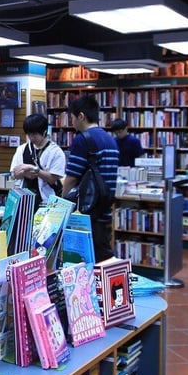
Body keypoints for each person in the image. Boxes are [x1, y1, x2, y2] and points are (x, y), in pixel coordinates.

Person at [61, 95, 120, 262]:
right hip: (104, 210)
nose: (72, 123)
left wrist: (62, 204)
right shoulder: (111, 140)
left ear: (81, 116)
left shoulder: (83, 139)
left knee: (83, 263)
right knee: (102, 259)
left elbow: (72, 178)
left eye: (72, 118)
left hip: (85, 214)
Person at [10, 113, 66, 209]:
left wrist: (35, 170)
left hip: (48, 201)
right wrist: (23, 173)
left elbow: (53, 179)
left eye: (34, 134)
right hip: (25, 200)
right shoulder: (22, 149)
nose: (31, 138)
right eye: (29, 134)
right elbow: (14, 174)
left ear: (44, 132)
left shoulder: (56, 152)